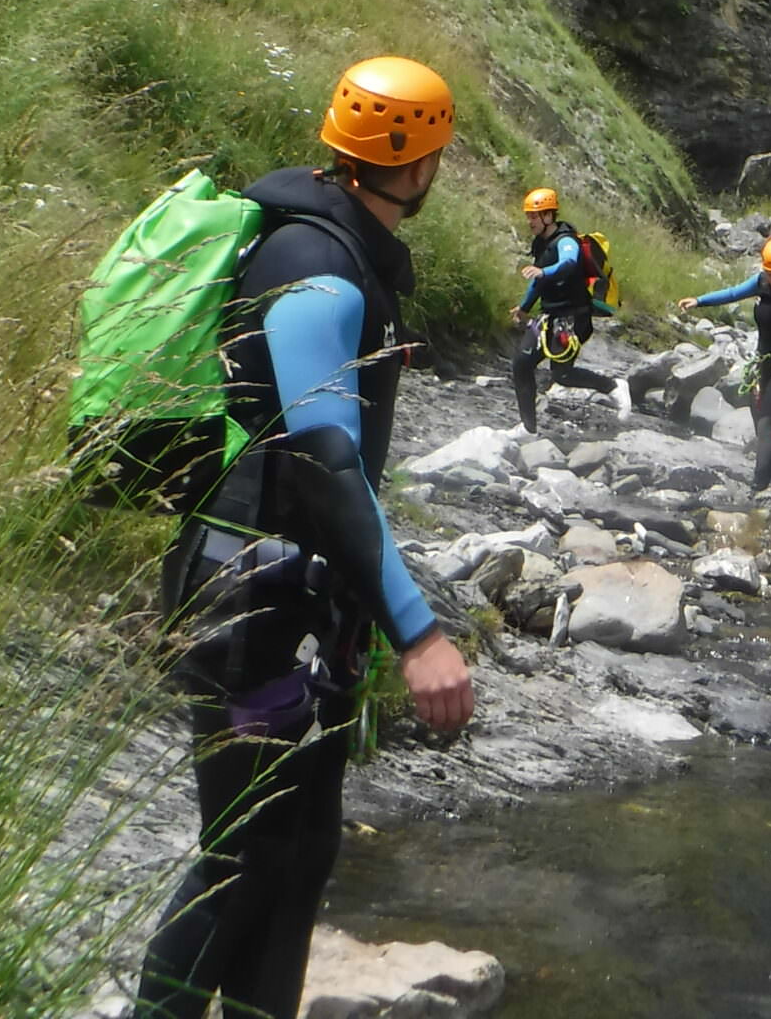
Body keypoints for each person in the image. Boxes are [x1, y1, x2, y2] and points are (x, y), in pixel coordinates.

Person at [135, 55, 474, 1019]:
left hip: (278, 593)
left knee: (299, 851)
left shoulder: (326, 241)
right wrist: (418, 633)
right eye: (437, 153)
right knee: (247, 855)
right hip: (252, 602)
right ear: (415, 165)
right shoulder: (322, 269)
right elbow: (327, 460)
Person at [679, 234, 771, 490]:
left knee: (767, 426)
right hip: (763, 366)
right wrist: (699, 301)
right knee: (764, 429)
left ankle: (758, 486)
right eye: (770, 274)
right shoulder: (762, 282)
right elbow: (732, 293)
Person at [511, 187, 626, 423]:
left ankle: (613, 386)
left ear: (548, 216)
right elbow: (538, 281)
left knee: (562, 374)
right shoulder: (541, 243)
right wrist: (524, 308)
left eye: (534, 216)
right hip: (549, 316)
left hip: (573, 317)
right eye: (529, 216)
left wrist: (543, 271)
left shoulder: (566, 241)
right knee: (521, 364)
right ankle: (528, 428)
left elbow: (568, 264)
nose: (529, 221)